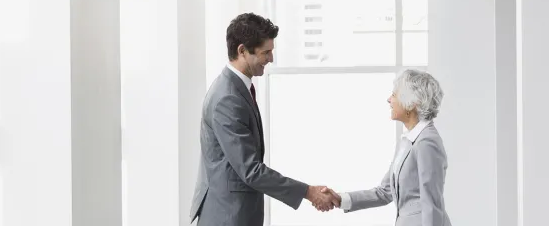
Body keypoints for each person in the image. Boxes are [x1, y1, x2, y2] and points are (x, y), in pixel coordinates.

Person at [189, 12, 338, 226]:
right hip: (227, 216)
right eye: (265, 52)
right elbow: (250, 169)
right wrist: (308, 192)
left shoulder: (238, 88)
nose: (271, 58)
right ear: (242, 51)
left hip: (236, 212)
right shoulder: (227, 98)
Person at [322, 69, 451, 226]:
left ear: (412, 103)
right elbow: (384, 192)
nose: (389, 100)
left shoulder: (427, 142)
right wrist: (341, 199)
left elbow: (432, 204)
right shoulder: (407, 140)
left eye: (394, 95)